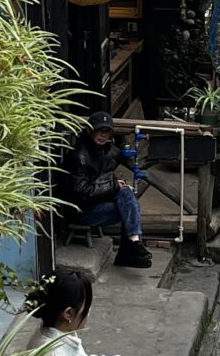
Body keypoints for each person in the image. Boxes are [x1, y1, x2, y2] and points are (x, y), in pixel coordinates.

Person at [58, 111, 152, 269]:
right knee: (127, 206)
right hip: (81, 211)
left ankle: (132, 244)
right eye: (99, 131)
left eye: (106, 132)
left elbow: (103, 179)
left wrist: (117, 184)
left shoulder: (105, 149)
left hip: (98, 201)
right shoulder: (79, 155)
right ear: (90, 131)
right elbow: (82, 192)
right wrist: (114, 186)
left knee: (126, 196)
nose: (103, 135)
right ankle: (130, 249)